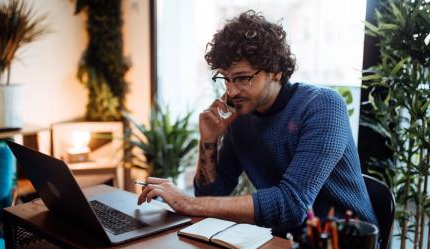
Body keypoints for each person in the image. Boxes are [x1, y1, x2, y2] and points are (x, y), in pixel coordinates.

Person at [137, 10, 377, 236]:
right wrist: (209, 140)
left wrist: (187, 202)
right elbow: (211, 193)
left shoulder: (323, 106)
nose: (231, 91)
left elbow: (291, 204)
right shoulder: (241, 116)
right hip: (283, 241)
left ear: (276, 71)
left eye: (242, 78)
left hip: (346, 244)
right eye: (226, 79)